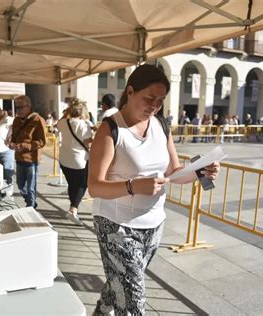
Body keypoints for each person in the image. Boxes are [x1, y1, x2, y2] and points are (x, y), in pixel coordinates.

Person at [88, 64, 220, 315]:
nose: (155, 106)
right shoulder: (111, 129)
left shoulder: (161, 125)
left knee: (118, 287)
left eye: (160, 101)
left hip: (154, 224)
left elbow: (173, 173)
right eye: (149, 98)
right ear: (130, 91)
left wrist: (199, 171)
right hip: (116, 225)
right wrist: (132, 186)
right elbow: (94, 186)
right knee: (134, 302)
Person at [55, 98, 93, 224]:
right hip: (79, 161)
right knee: (82, 184)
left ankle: (72, 209)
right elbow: (88, 144)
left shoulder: (62, 122)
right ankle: (73, 210)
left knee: (72, 184)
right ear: (83, 113)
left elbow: (58, 123)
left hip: (64, 160)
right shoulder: (83, 125)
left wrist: (67, 113)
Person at [10, 95, 47, 208]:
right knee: (20, 185)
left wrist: (24, 145)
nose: (18, 110)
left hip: (31, 159)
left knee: (31, 187)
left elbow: (41, 142)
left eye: (21, 107)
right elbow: (14, 137)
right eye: (17, 108)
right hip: (19, 158)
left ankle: (30, 207)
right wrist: (12, 143)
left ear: (28, 107)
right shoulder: (16, 120)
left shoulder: (38, 120)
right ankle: (31, 202)